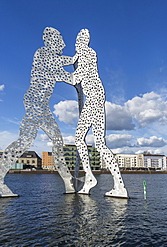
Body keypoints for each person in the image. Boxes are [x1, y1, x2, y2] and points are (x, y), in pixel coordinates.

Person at [0, 27, 76, 197]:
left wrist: (77, 72)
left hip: (41, 105)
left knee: (37, 141)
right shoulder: (42, 54)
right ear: (51, 41)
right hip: (36, 103)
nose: (63, 43)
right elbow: (59, 68)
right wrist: (75, 59)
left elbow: (67, 77)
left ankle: (68, 182)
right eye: (59, 39)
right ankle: (68, 181)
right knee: (45, 141)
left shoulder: (52, 62)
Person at [71, 29, 129, 198]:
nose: (76, 43)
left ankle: (89, 177)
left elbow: (77, 78)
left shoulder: (86, 54)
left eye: (79, 40)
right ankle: (120, 186)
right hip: (97, 98)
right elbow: (76, 70)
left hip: (94, 100)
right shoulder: (86, 54)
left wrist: (56, 74)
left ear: (83, 42)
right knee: (100, 144)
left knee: (79, 138)